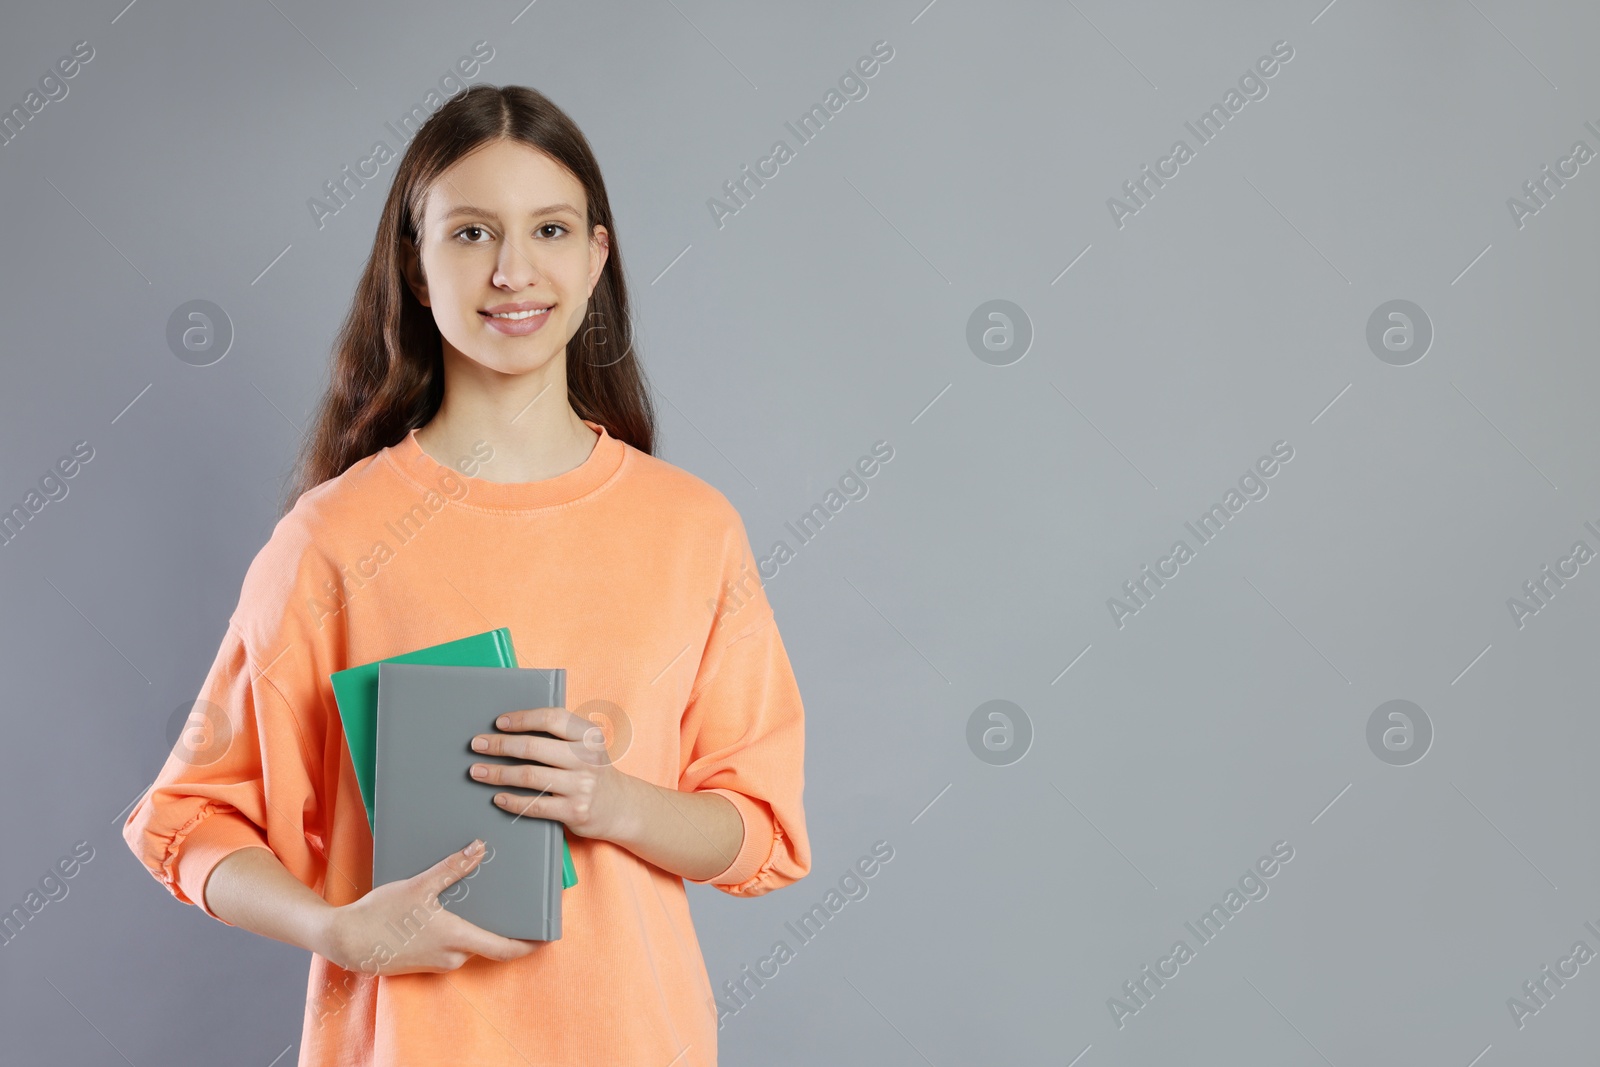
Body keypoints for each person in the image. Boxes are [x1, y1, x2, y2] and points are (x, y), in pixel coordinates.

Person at [122, 83, 810, 1066]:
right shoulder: (332, 539)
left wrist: (612, 801)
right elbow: (186, 817)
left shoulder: (691, 528)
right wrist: (335, 928)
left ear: (595, 257)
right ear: (416, 263)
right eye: (472, 233)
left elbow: (759, 832)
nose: (514, 270)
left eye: (550, 229)